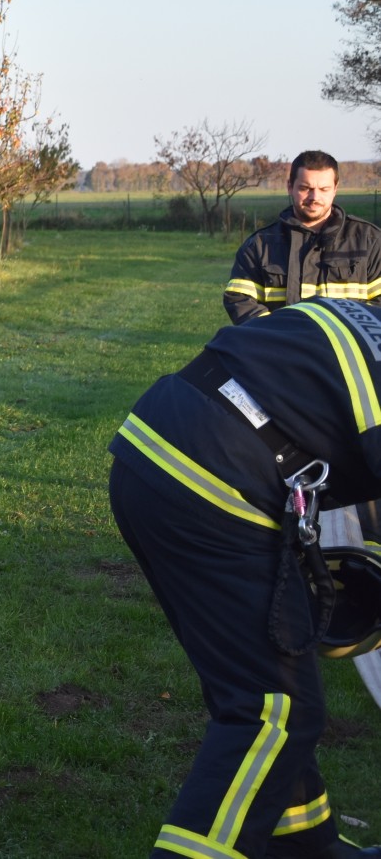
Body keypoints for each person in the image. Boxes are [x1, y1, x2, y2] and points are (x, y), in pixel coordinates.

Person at [109, 296, 381, 858]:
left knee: (268, 686)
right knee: (274, 710)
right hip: (214, 481)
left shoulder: (364, 316)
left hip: (159, 447)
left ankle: (306, 845)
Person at [225, 150, 381, 324]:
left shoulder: (370, 241)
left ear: (335, 189)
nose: (315, 197)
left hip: (345, 342)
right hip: (281, 341)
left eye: (324, 189)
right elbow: (240, 299)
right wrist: (274, 333)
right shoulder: (259, 245)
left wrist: (344, 331)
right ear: (290, 187)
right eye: (305, 188)